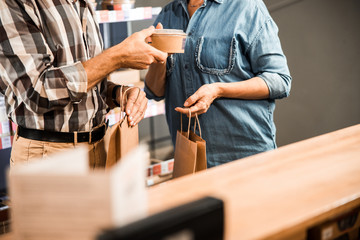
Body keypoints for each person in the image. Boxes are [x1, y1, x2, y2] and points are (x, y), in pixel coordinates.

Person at [0, 0, 167, 167]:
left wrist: (117, 93)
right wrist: (118, 57)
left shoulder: (82, 3)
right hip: (48, 155)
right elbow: (37, 92)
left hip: (99, 147)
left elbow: (86, 81)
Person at [145, 0, 292, 168]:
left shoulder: (247, 7)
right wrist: (159, 59)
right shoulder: (168, 14)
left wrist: (218, 90)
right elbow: (154, 92)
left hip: (245, 155)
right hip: (191, 159)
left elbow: (280, 80)